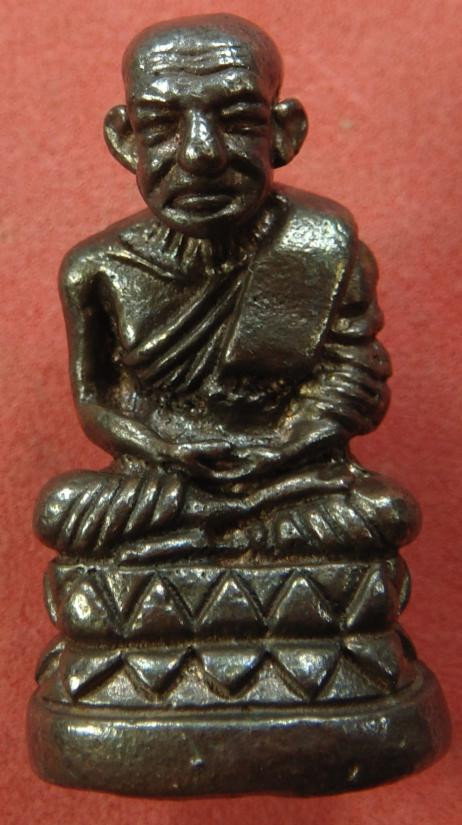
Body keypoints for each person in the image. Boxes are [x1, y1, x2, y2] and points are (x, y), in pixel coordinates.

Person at [34, 14, 420, 563]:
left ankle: (213, 531)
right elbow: (95, 399)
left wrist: (287, 448)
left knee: (387, 510)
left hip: (291, 473)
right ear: (125, 139)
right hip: (166, 476)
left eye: (237, 121)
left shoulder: (323, 245)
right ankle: (239, 528)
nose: (200, 154)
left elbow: (354, 383)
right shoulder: (96, 269)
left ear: (283, 132)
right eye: (161, 126)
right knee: (61, 508)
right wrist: (160, 450)